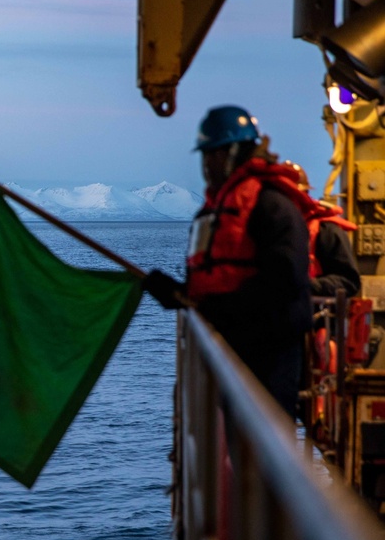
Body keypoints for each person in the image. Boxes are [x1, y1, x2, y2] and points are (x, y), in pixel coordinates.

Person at [144, 105, 313, 417]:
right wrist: (179, 295)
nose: (207, 165)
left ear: (236, 152)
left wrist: (217, 307)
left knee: (265, 446)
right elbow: (212, 283)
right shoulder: (213, 213)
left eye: (214, 155)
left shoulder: (272, 207)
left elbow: (284, 281)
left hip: (268, 359)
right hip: (228, 353)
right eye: (204, 156)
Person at [283, 162, 360, 298]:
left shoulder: (327, 232)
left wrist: (307, 285)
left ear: (305, 195)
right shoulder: (272, 231)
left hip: (313, 314)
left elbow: (348, 282)